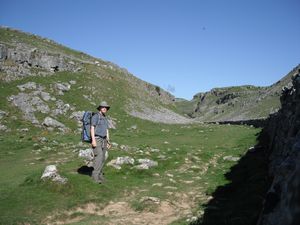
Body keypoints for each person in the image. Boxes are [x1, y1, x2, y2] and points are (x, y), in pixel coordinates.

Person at [90, 101, 111, 184]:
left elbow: (106, 130)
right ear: (100, 108)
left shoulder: (105, 118)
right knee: (99, 156)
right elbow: (92, 128)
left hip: (104, 140)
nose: (104, 108)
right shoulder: (96, 116)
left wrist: (108, 141)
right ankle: (95, 176)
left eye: (106, 107)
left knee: (103, 158)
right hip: (97, 139)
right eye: (103, 107)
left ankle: (100, 175)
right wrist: (93, 140)